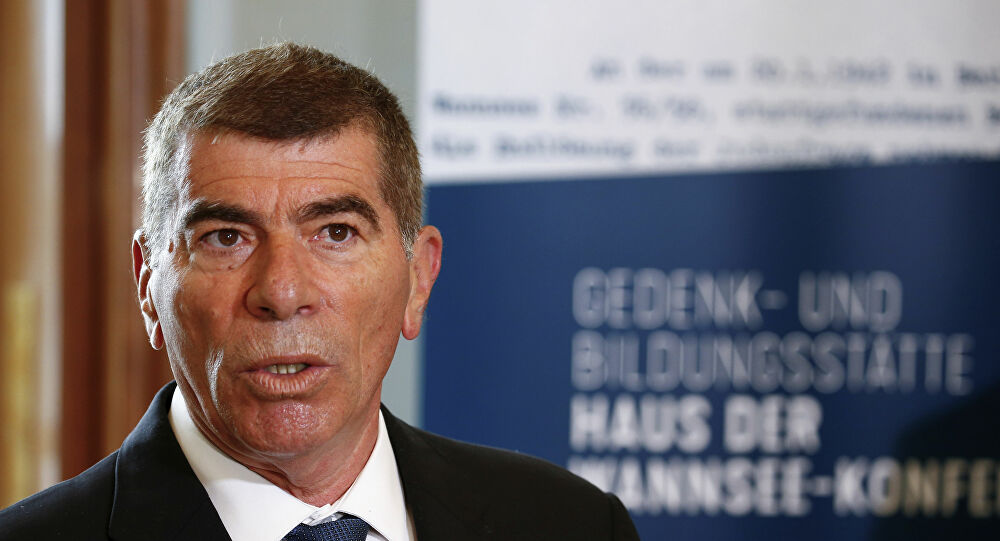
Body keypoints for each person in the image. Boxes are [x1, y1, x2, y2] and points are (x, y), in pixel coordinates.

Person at [0, 43, 639, 540]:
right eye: (226, 238)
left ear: (419, 279)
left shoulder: (574, 527)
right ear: (148, 284)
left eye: (335, 232)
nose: (282, 292)